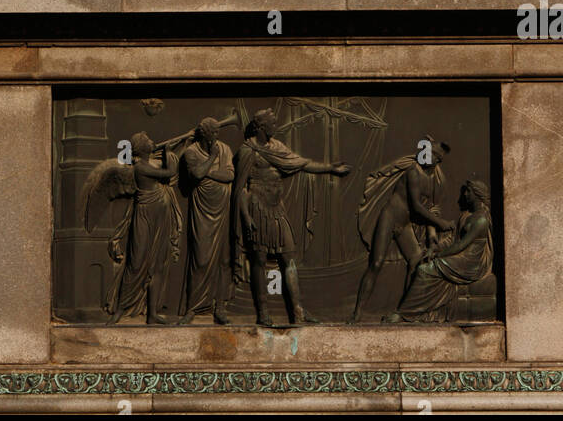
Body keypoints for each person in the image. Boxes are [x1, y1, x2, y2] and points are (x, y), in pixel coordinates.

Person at [232, 107, 350, 326]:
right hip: (257, 207)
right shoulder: (247, 151)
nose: (276, 127)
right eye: (272, 124)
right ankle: (263, 312)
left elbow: (301, 163)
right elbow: (240, 189)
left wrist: (329, 169)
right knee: (258, 260)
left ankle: (298, 312)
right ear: (261, 127)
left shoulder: (277, 147)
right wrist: (246, 216)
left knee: (289, 257)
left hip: (277, 208)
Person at [350, 136, 453, 322]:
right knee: (376, 263)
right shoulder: (413, 172)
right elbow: (416, 206)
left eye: (431, 154)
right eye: (425, 152)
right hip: (390, 218)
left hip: (404, 225)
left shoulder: (436, 181)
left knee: (416, 262)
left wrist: (432, 235)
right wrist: (441, 224)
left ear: (437, 160)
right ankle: (357, 314)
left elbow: (431, 208)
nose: (426, 156)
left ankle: (404, 313)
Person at [390, 178, 494, 324]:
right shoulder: (467, 216)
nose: (464, 195)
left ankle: (405, 314)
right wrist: (436, 247)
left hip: (471, 262)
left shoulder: (481, 219)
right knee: (417, 262)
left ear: (477, 194)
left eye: (468, 192)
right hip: (461, 257)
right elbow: (454, 241)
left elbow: (461, 245)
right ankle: (416, 313)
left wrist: (437, 255)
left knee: (426, 270)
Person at [104, 132, 181, 326]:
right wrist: (170, 154)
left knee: (156, 265)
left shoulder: (147, 163)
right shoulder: (140, 167)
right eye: (147, 140)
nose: (151, 141)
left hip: (159, 217)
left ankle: (152, 313)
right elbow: (169, 172)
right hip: (146, 217)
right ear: (141, 148)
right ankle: (119, 309)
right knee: (136, 263)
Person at [179, 117, 235, 325]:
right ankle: (193, 308)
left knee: (223, 260)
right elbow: (196, 174)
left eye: (218, 133)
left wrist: (207, 173)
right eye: (214, 133)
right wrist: (211, 159)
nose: (217, 137)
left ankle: (219, 307)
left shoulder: (226, 149)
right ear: (204, 134)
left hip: (223, 210)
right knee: (200, 259)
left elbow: (229, 175)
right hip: (202, 211)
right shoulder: (191, 152)